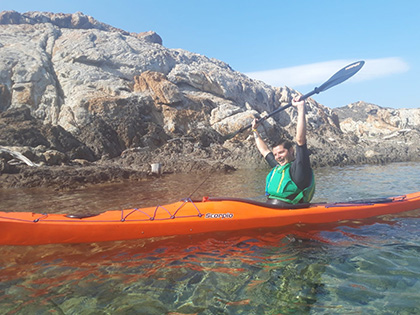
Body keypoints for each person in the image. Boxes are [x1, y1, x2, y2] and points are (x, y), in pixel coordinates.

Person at [252, 96, 315, 206]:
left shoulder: (299, 168)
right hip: (269, 207)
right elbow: (264, 150)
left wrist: (300, 108)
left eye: (281, 152)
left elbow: (300, 140)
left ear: (291, 151)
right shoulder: (280, 167)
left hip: (287, 210)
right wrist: (254, 130)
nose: (277, 157)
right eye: (276, 154)